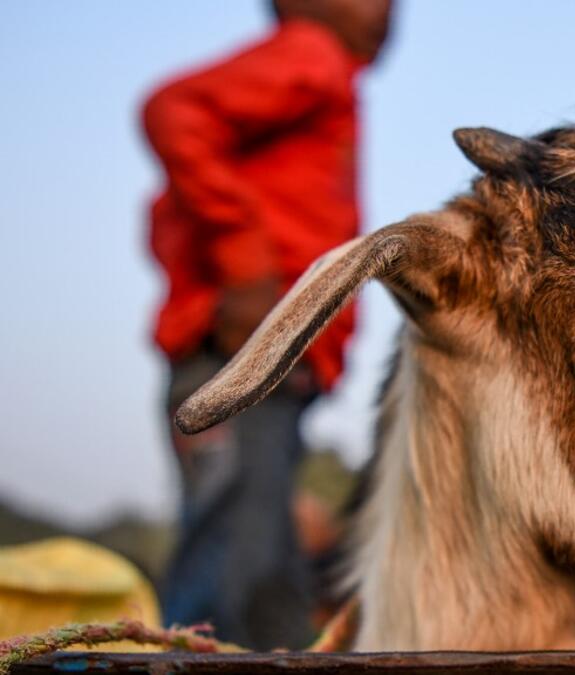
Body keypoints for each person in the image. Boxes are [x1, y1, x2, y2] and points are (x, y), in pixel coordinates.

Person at [142, 0, 392, 649]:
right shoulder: (311, 53)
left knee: (271, 569)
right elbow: (175, 109)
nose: (387, 9)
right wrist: (246, 262)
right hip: (239, 359)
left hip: (273, 368)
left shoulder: (328, 75)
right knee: (233, 564)